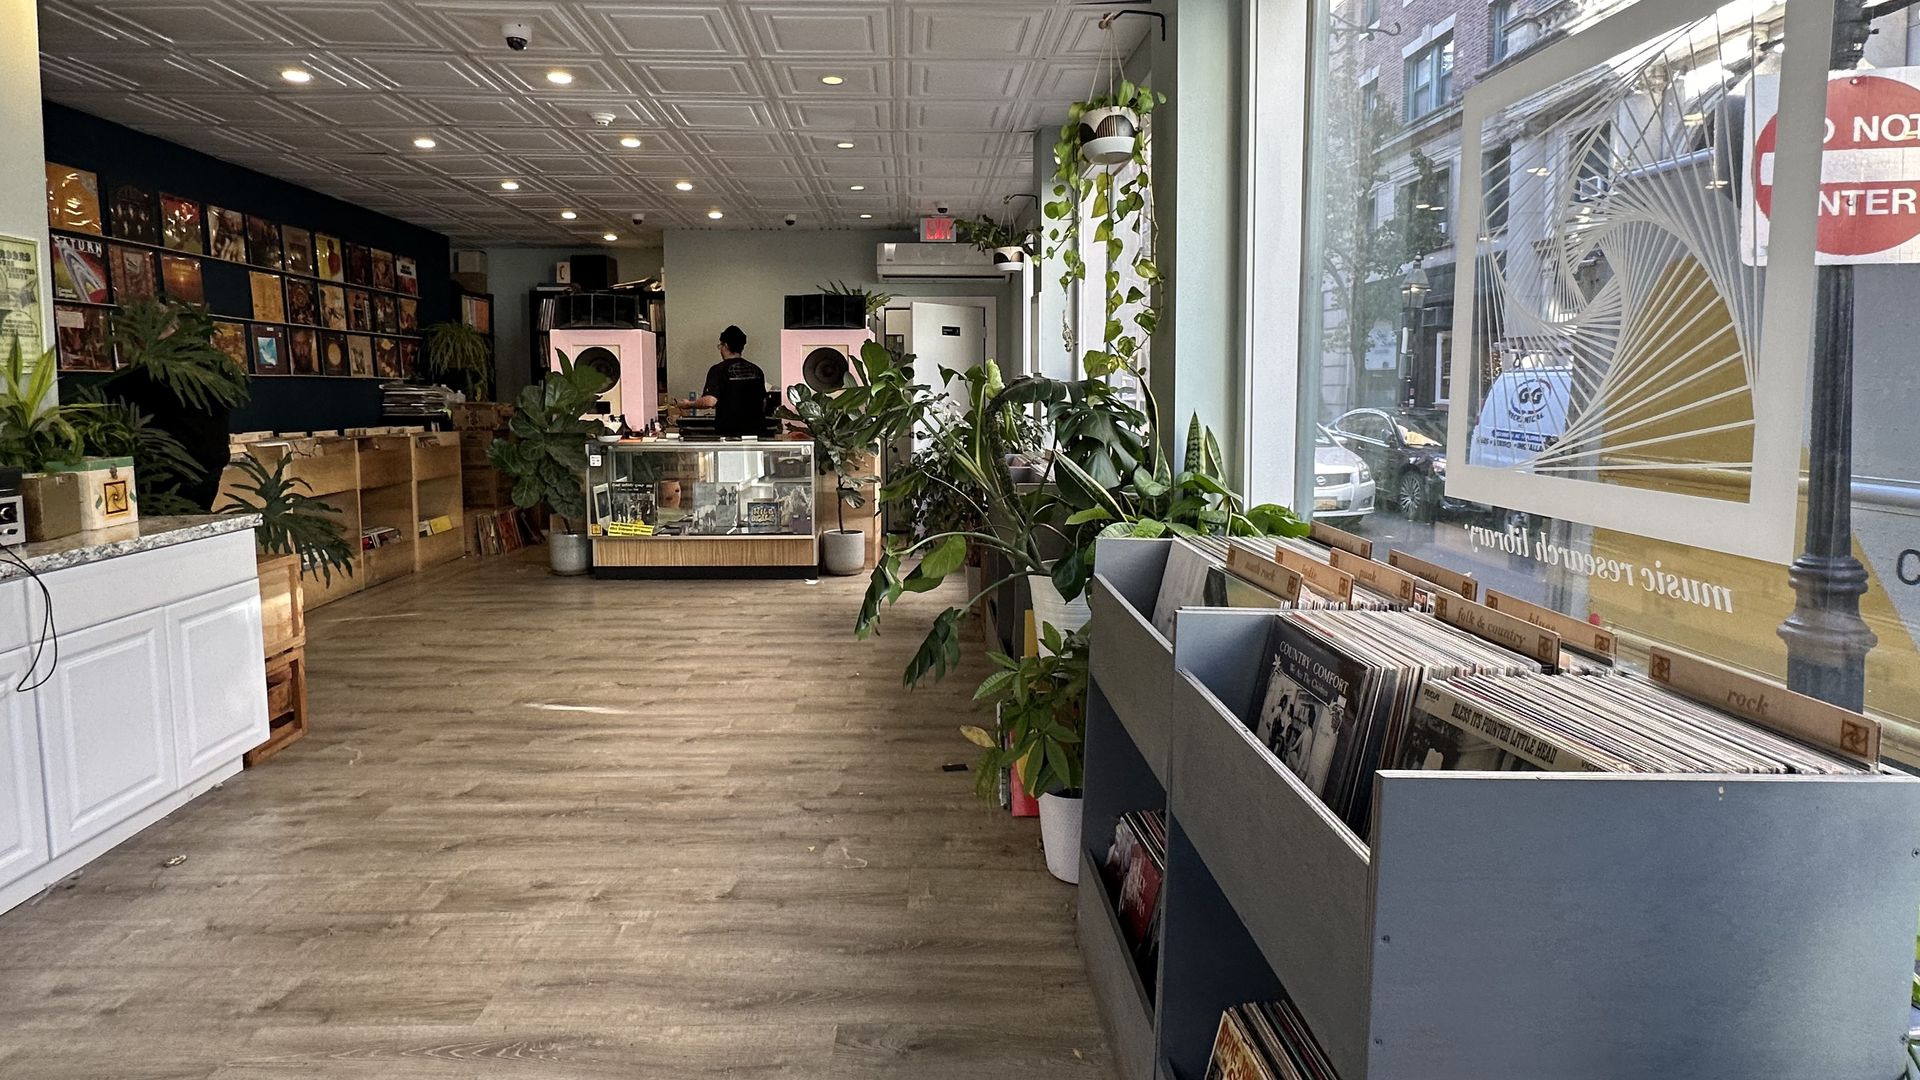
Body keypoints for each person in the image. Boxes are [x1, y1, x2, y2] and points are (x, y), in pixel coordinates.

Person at [695, 325, 768, 438]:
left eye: (721, 345)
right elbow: (763, 402)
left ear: (726, 346)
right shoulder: (757, 370)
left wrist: (688, 404)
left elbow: (710, 401)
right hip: (756, 433)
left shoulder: (717, 370)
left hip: (729, 433)